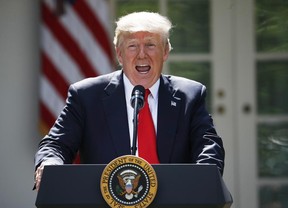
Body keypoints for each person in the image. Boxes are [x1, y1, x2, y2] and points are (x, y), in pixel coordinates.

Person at [34, 11, 225, 191]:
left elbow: (207, 144)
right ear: (119, 54)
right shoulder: (86, 95)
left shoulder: (189, 95)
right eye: (132, 46)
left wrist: (205, 175)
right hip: (105, 202)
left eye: (151, 44)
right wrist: (49, 164)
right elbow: (56, 144)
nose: (142, 54)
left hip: (173, 201)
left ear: (165, 51)